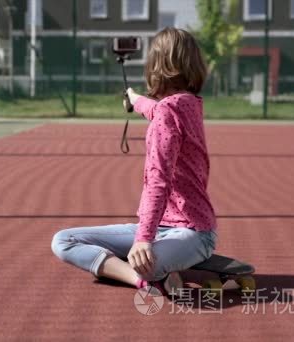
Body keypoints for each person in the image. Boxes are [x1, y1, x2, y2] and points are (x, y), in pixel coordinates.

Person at [51, 28, 217, 295]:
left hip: (192, 233)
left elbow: (157, 181)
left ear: (157, 64)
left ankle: (143, 274)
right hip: (167, 227)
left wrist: (143, 239)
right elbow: (156, 109)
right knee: (64, 240)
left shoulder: (168, 110)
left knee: (75, 246)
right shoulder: (189, 104)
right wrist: (135, 99)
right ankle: (145, 278)